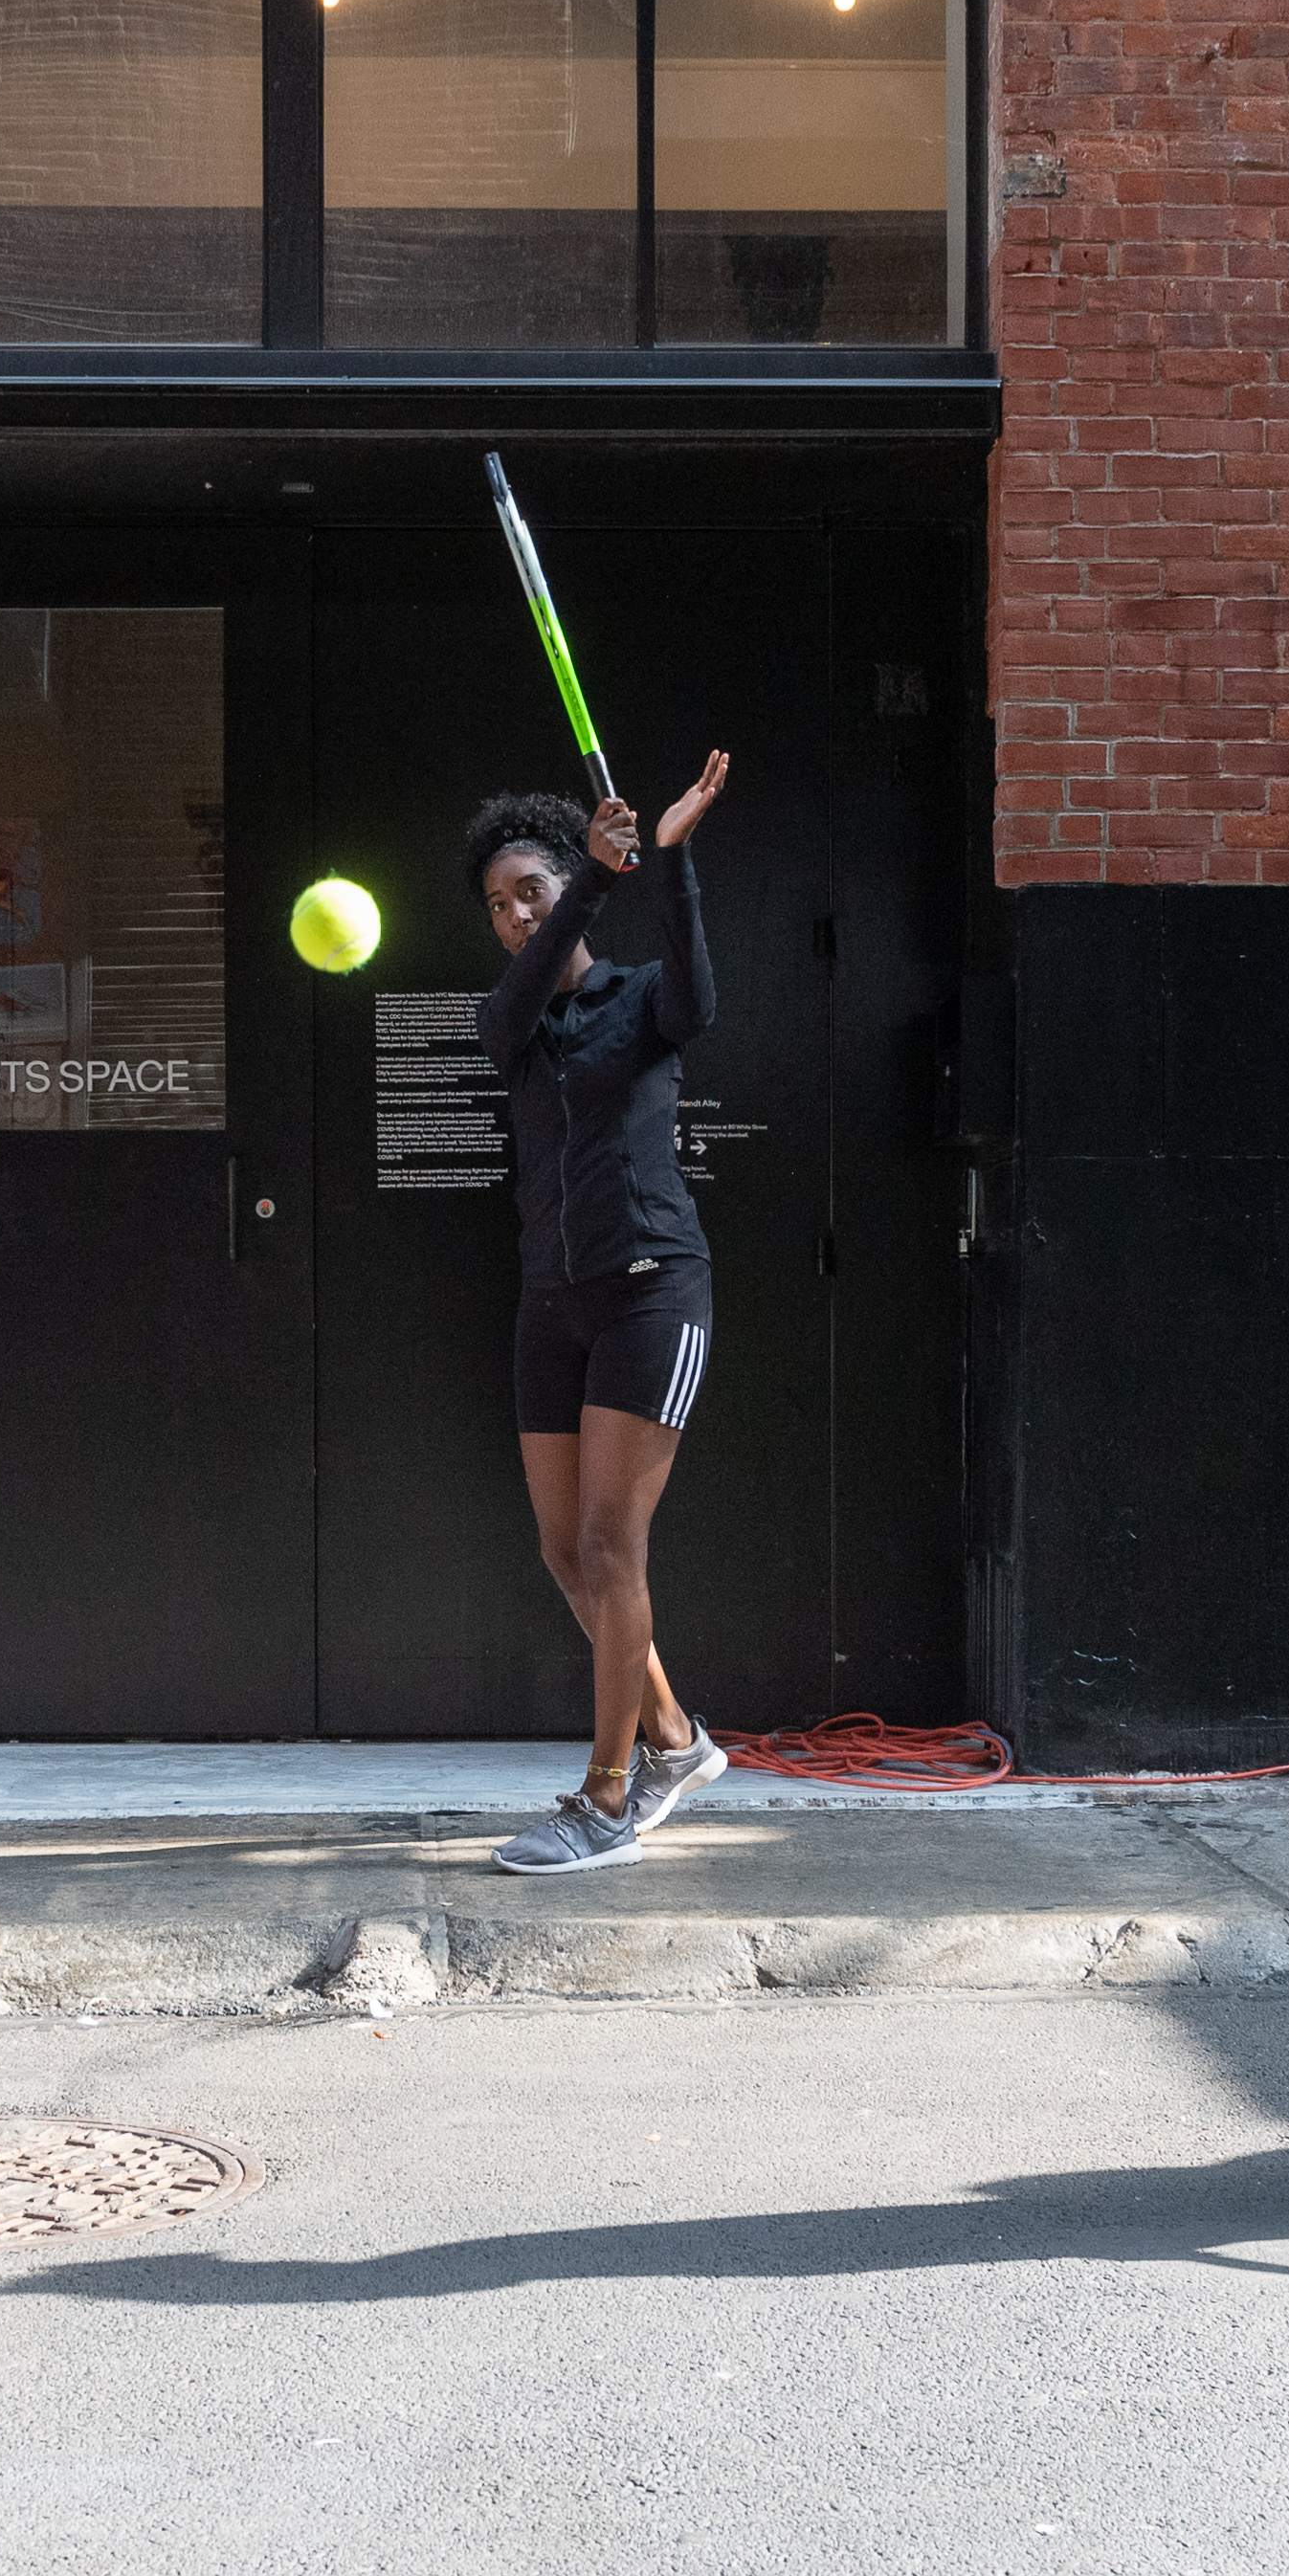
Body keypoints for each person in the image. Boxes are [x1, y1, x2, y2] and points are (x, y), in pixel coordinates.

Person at [468, 753, 730, 1872]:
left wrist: (662, 858)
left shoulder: (636, 1000)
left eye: (532, 889)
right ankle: (674, 1738)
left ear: (569, 878)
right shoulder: (516, 1022)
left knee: (611, 1544)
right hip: (550, 1303)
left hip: (648, 1295)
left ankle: (611, 1792)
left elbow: (698, 999)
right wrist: (590, 879)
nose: (517, 913)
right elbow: (506, 1012)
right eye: (499, 903)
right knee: (563, 1551)